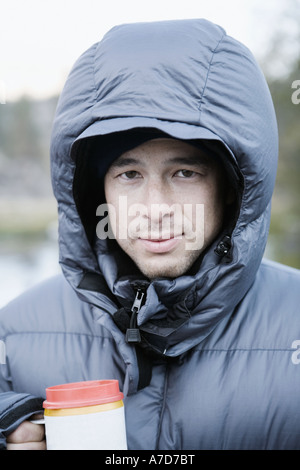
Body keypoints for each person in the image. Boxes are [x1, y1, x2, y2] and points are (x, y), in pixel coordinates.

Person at [1, 18, 300, 451]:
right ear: (94, 190)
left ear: (234, 187)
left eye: (184, 172)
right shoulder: (13, 334)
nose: (155, 208)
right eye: (129, 174)